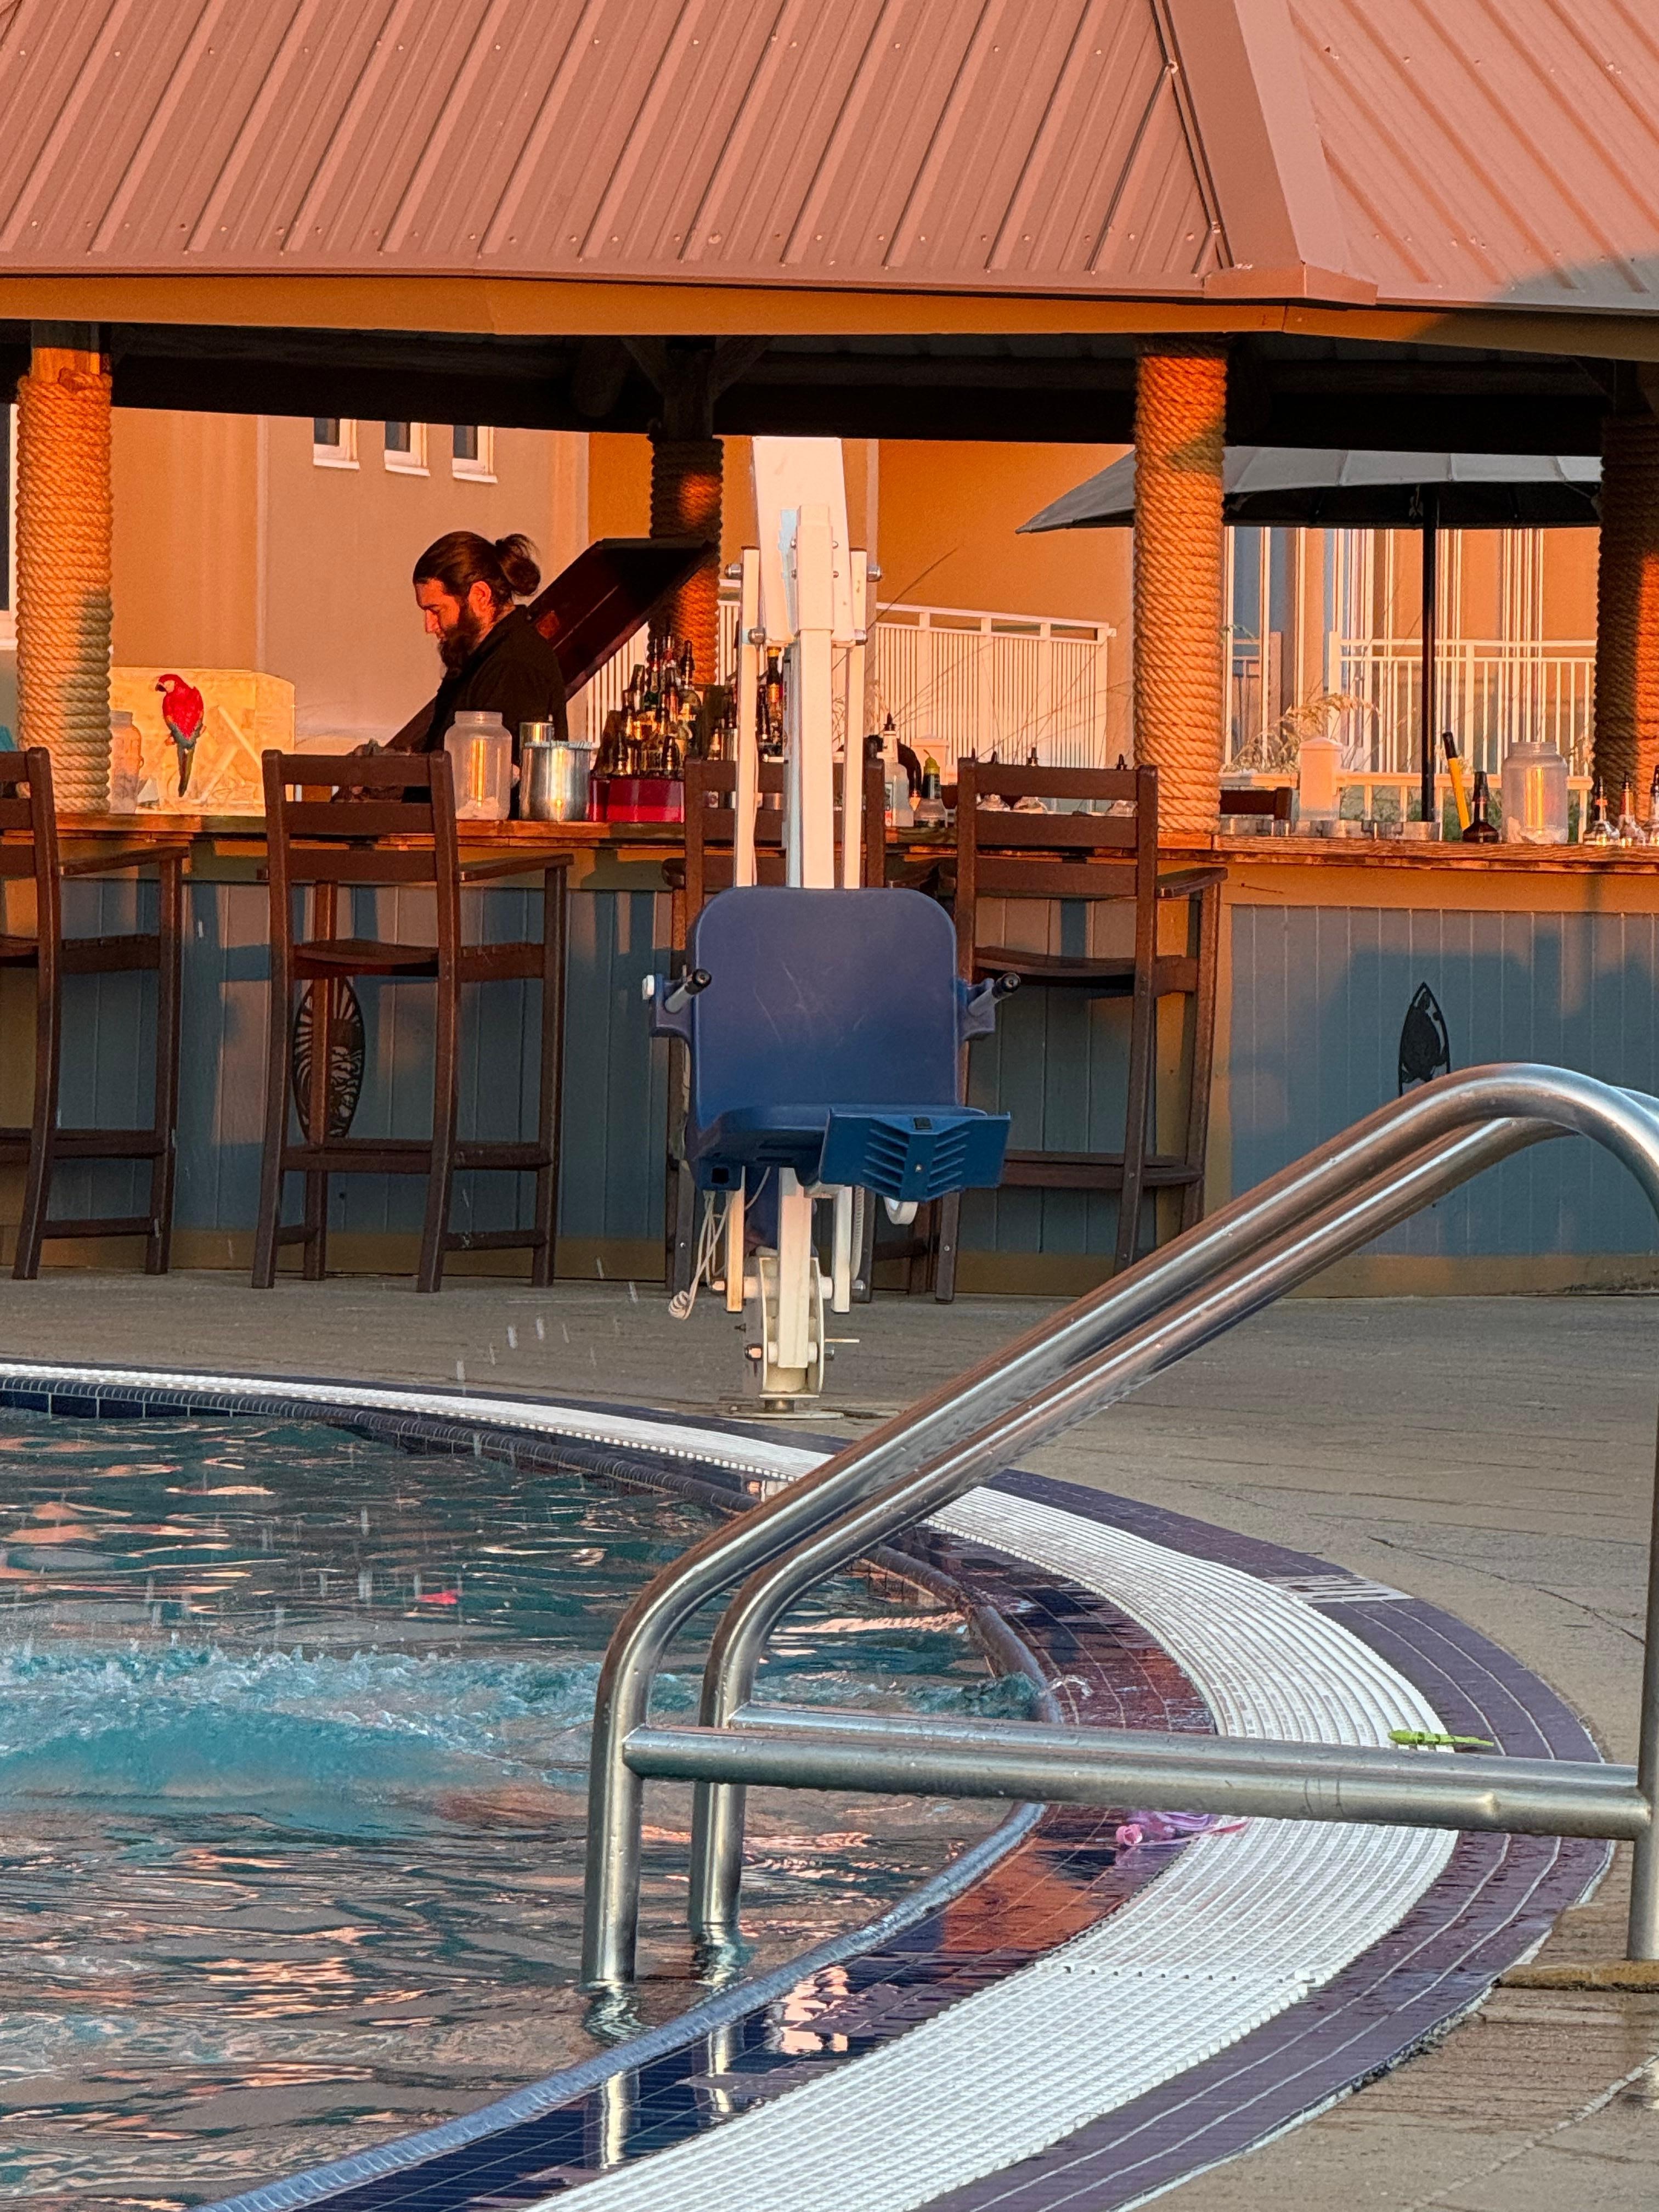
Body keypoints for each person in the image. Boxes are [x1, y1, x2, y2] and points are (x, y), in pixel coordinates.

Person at [388, 531, 567, 763]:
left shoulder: (515, 666)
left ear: (480, 596)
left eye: (436, 611)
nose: (429, 626)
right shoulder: (484, 657)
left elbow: (490, 780)